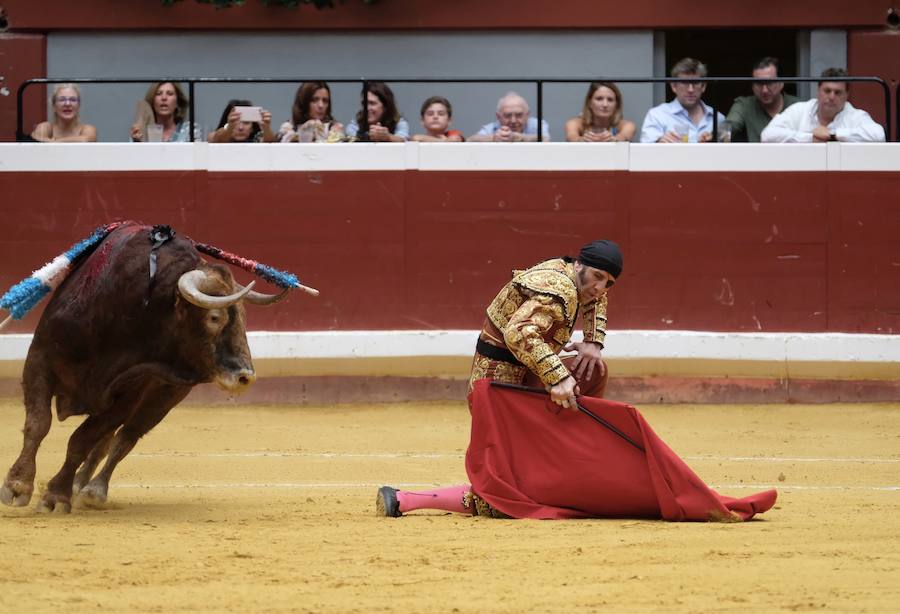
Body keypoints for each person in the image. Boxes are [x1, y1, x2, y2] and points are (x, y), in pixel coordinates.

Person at [377, 240, 622, 518]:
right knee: (507, 498)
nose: (600, 287)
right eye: (597, 277)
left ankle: (570, 451)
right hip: (495, 383)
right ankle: (403, 499)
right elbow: (518, 332)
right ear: (579, 265)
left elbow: (596, 297)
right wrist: (558, 377)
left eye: (609, 282)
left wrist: (593, 342)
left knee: (593, 369)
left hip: (526, 374)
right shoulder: (558, 288)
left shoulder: (574, 275)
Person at [761, 67, 886, 143]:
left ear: (847, 94)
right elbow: (767, 135)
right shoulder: (800, 109)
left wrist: (833, 135)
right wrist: (810, 138)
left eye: (838, 92)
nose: (831, 97)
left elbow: (879, 135)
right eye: (827, 91)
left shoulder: (855, 115)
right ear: (818, 90)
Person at [639, 57, 726, 143]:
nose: (690, 89)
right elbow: (644, 152)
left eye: (695, 83)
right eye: (684, 82)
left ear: (703, 86)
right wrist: (659, 143)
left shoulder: (718, 118)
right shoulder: (657, 115)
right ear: (673, 86)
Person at [726, 57, 801, 143]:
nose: (764, 90)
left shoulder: (798, 105)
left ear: (781, 83)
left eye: (769, 83)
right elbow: (729, 126)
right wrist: (718, 134)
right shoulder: (744, 105)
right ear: (752, 86)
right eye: (759, 83)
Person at [565, 82, 636, 142]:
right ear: (589, 102)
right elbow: (572, 137)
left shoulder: (627, 125)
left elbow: (624, 137)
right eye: (599, 99)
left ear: (616, 105)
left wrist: (614, 139)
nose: (605, 104)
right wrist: (582, 140)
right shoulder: (575, 123)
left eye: (610, 100)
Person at [277, 81, 344, 143]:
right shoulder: (288, 127)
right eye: (314, 100)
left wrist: (322, 135)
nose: (321, 105)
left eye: (325, 101)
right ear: (303, 102)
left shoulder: (334, 128)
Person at [469, 92, 551, 142]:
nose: (513, 120)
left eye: (519, 115)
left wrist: (518, 138)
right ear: (498, 117)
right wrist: (493, 138)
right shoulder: (492, 127)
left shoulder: (537, 124)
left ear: (527, 115)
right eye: (507, 115)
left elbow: (546, 139)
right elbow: (470, 140)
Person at [30, 83, 97, 143]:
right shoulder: (46, 127)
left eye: (73, 100)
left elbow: (86, 139)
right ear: (54, 106)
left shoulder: (87, 129)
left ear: (78, 106)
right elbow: (38, 140)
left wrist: (54, 141)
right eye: (62, 99)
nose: (67, 104)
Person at [207, 99, 276, 143]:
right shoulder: (215, 135)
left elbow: (270, 142)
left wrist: (266, 127)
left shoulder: (257, 138)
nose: (241, 128)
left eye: (246, 122)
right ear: (227, 123)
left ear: (252, 127)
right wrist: (229, 128)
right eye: (235, 122)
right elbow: (216, 139)